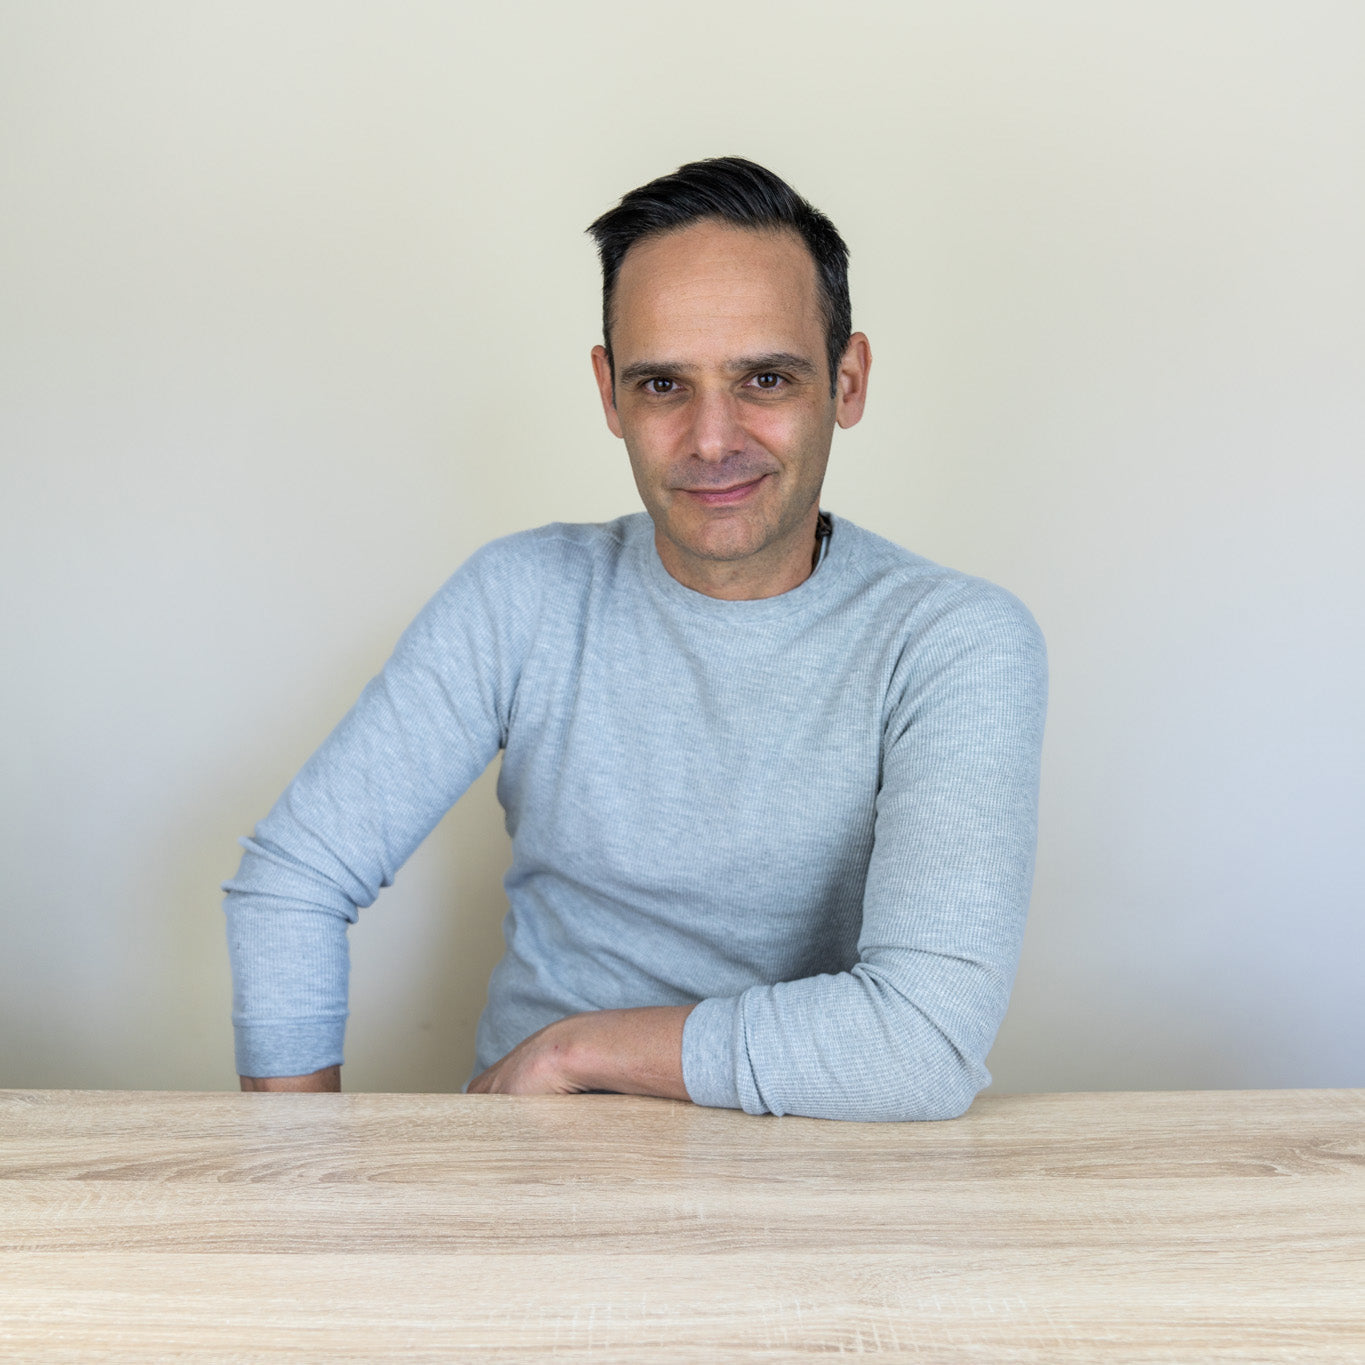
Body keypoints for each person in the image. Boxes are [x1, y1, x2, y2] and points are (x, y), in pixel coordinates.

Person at [224, 156, 1047, 1121]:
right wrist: (301, 1166)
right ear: (610, 394)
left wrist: (574, 1051)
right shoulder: (522, 596)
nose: (711, 439)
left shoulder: (952, 643)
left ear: (847, 380)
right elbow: (292, 881)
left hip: (817, 1174)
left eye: (765, 378)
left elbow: (921, 1043)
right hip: (533, 1174)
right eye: (663, 384)